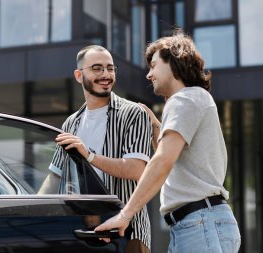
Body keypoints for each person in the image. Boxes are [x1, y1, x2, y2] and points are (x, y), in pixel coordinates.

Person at [94, 32, 241, 252]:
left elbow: (162, 161)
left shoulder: (183, 99)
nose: (149, 74)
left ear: (173, 62)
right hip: (201, 223)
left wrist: (125, 215)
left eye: (153, 66)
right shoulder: (195, 99)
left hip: (199, 224)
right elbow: (176, 159)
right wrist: (155, 125)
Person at [40, 45, 153, 253]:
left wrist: (89, 155)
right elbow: (54, 177)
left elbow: (137, 169)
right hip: (81, 235)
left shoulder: (133, 113)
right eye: (97, 68)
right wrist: (36, 210)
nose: (106, 75)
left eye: (110, 68)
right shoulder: (70, 123)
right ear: (78, 75)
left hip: (126, 235)